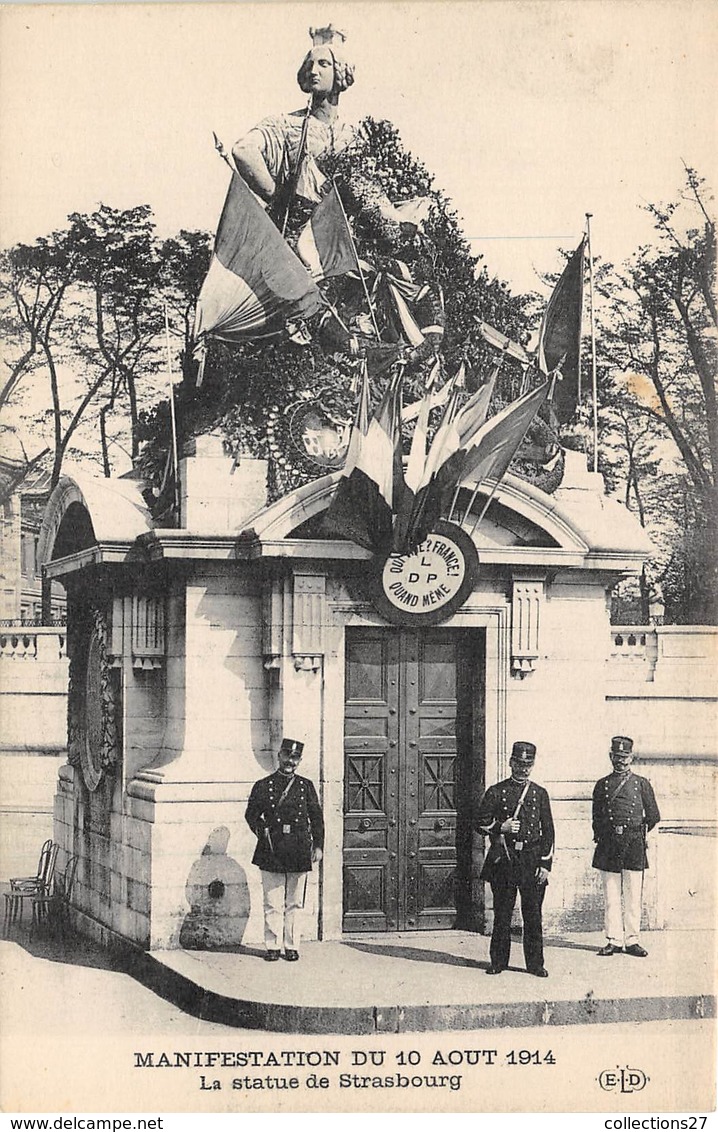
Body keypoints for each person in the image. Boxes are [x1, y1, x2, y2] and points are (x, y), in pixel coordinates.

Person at [232, 25, 356, 228]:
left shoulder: (352, 136)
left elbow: (372, 195)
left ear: (340, 71)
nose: (313, 71)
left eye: (323, 64)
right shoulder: (285, 124)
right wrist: (277, 198)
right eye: (310, 65)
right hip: (294, 237)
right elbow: (243, 150)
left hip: (340, 241)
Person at [475, 741, 554, 977]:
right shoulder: (496, 791)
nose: (523, 769)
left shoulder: (540, 793)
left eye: (528, 764)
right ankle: (498, 962)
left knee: (533, 916)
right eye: (519, 764)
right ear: (511, 763)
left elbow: (548, 831)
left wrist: (545, 864)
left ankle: (535, 964)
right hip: (505, 860)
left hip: (532, 861)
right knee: (503, 914)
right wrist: (502, 826)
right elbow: (480, 823)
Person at [245, 738, 324, 961]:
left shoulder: (305, 786)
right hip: (272, 849)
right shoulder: (263, 785)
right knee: (272, 902)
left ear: (299, 761)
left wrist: (318, 845)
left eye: (295, 757)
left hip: (299, 848)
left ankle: (291, 946)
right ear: (279, 755)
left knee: (295, 902)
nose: (291, 761)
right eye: (287, 755)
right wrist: (264, 833)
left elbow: (317, 818)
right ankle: (272, 946)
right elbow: (251, 815)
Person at [592, 735, 660, 957]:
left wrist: (638, 836)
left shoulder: (642, 784)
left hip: (633, 844)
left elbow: (653, 815)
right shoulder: (601, 785)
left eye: (624, 757)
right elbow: (597, 817)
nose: (620, 761)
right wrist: (604, 837)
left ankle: (632, 940)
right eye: (616, 756)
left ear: (631, 757)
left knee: (633, 895)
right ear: (610, 756)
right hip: (609, 844)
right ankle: (614, 939)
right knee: (611, 894)